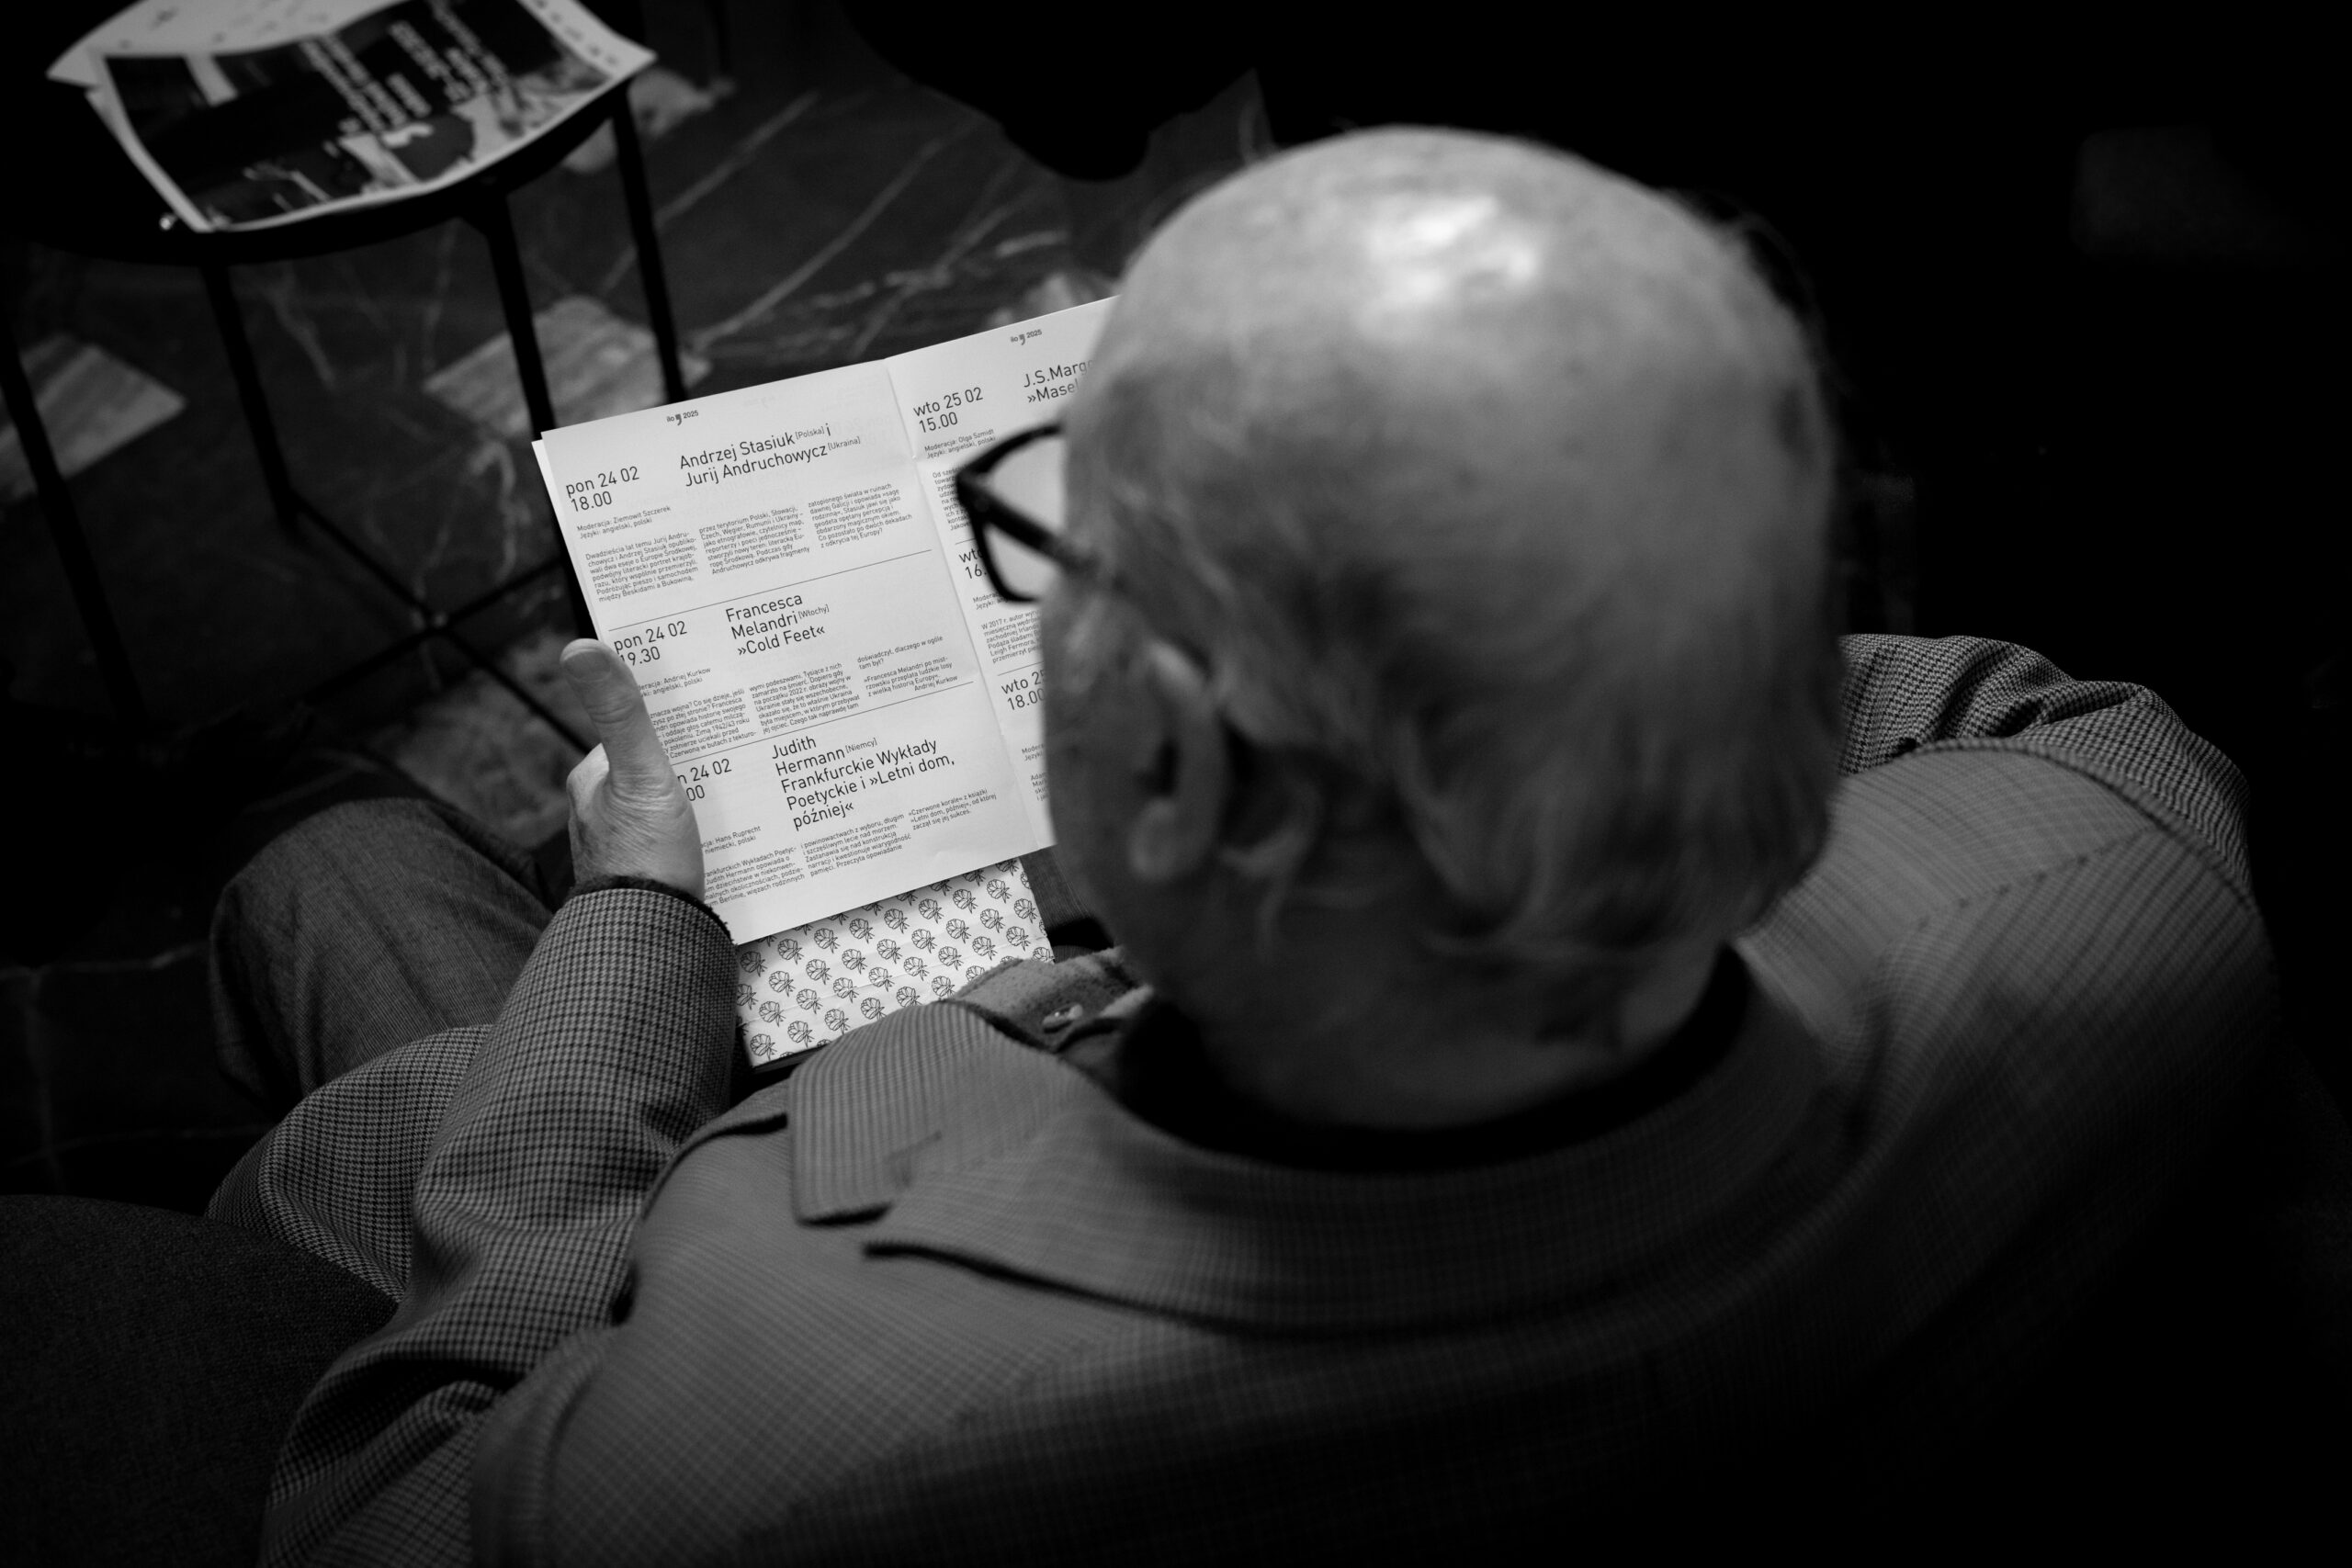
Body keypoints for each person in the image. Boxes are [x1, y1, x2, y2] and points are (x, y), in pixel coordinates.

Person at [209, 130, 2273, 1562]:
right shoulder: (2134, 857)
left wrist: (642, 911)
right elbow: (2003, 706)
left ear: (1181, 784)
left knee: (330, 879)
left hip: (767, 1172)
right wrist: (1596, 653)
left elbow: (378, 1512)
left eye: (1059, 536)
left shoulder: (784, 1415)